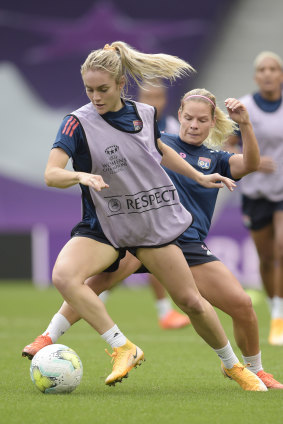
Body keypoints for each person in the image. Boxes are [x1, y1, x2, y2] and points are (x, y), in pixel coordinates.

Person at [22, 66, 269, 391]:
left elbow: (250, 165)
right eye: (189, 117)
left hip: (186, 240)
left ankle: (252, 368)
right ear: (178, 115)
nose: (194, 125)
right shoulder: (154, 138)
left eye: (202, 120)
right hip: (140, 228)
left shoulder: (216, 158)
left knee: (236, 304)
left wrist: (246, 124)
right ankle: (49, 336)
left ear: (212, 123)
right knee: (96, 280)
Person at [101, 79, 189, 330]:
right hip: (131, 204)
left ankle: (163, 312)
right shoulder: (127, 125)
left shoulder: (173, 126)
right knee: (133, 257)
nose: (154, 102)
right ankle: (90, 298)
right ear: (138, 97)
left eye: (159, 97)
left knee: (145, 256)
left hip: (162, 204)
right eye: (148, 97)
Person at [225, 51, 283, 346]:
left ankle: (279, 316)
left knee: (281, 246)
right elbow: (227, 147)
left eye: (274, 68)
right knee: (266, 257)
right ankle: (275, 306)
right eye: (263, 69)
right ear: (255, 76)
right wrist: (255, 162)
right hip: (256, 191)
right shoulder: (245, 108)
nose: (269, 74)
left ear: (281, 75)